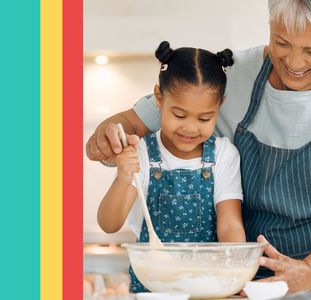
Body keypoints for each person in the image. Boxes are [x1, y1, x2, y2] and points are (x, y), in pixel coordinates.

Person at [87, 0, 311, 293]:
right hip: (253, 283)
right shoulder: (233, 74)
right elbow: (131, 123)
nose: (294, 63)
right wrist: (109, 137)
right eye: (281, 43)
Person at [96, 41, 246, 293]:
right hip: (151, 289)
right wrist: (123, 178)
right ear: (159, 97)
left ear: (220, 105)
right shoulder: (141, 152)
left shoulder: (223, 155)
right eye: (179, 115)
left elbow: (230, 225)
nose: (190, 128)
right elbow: (109, 224)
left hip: (207, 288)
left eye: (204, 118)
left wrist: (235, 273)